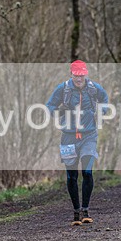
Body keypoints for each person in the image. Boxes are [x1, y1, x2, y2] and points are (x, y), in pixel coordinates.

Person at [45, 60, 109, 226]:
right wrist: (58, 112)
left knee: (87, 172)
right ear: (71, 74)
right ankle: (76, 213)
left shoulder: (94, 88)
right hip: (68, 137)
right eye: (76, 75)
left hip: (89, 136)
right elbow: (49, 106)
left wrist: (102, 111)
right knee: (72, 176)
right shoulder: (63, 89)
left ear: (85, 74)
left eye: (81, 75)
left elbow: (105, 99)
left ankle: (85, 210)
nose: (79, 78)